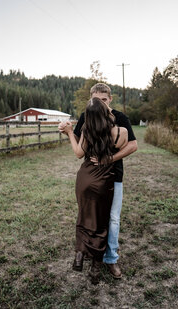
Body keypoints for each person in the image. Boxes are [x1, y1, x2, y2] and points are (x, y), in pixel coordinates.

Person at [59, 83, 137, 279]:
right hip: (92, 175)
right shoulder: (87, 116)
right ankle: (89, 253)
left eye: (103, 100)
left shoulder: (120, 118)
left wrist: (109, 158)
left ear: (110, 99)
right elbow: (78, 141)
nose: (100, 104)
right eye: (96, 100)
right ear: (91, 100)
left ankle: (110, 259)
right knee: (90, 216)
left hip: (114, 176)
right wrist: (66, 131)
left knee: (112, 219)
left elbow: (133, 145)